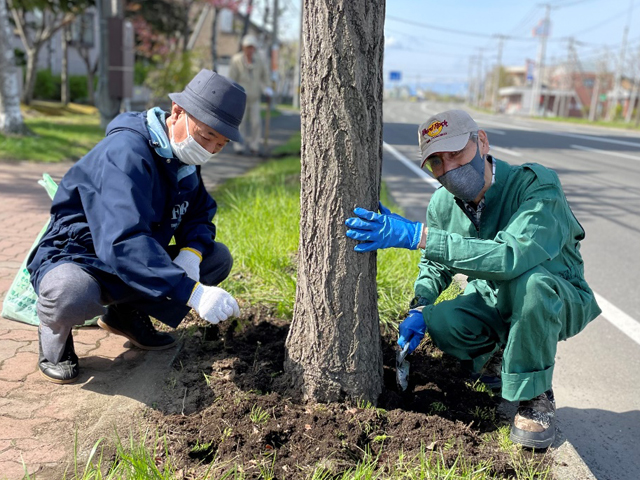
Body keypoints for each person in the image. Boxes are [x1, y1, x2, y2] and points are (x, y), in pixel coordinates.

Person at [345, 109, 601, 449]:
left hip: (556, 293)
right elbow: (437, 265)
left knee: (532, 286)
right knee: (443, 320)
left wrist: (418, 235)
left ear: (481, 142)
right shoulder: (443, 203)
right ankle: (498, 356)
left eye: (456, 153)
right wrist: (420, 304)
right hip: (495, 298)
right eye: (437, 161)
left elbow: (509, 257)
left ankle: (535, 397)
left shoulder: (536, 185)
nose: (449, 168)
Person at [27, 69, 247, 385]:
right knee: (70, 294)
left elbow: (199, 213)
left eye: (221, 143)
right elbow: (123, 240)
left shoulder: (182, 160)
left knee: (216, 258)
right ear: (178, 112)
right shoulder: (126, 153)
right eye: (206, 136)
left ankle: (124, 315)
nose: (210, 149)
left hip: (131, 256)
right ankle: (53, 335)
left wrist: (191, 253)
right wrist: (192, 292)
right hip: (79, 257)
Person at [228, 34, 272, 156]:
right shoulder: (236, 60)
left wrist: (268, 89)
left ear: (255, 48)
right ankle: (239, 145)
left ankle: (254, 145)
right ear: (243, 47)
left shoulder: (259, 61)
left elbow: (265, 76)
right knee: (240, 123)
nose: (250, 50)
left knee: (256, 122)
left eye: (252, 47)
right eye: (247, 47)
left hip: (254, 97)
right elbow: (232, 78)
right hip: (240, 98)